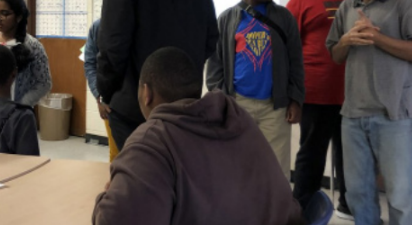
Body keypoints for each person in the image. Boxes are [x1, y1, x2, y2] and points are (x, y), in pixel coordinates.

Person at [93, 47, 303, 225]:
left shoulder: (152, 140)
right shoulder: (239, 119)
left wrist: (104, 198)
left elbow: (116, 219)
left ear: (146, 93)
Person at [326, 0, 412, 225]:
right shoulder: (347, 8)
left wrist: (378, 38)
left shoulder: (406, 4)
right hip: (352, 117)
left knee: (400, 195)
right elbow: (335, 55)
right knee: (359, 194)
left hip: (394, 116)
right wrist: (346, 41)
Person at [97, 0, 218, 151]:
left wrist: (106, 92)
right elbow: (210, 38)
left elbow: (113, 46)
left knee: (137, 177)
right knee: (178, 175)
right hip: (184, 103)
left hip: (134, 104)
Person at [206, 0, 304, 179]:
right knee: (238, 165)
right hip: (239, 104)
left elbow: (296, 59)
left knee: (277, 170)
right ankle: (243, 211)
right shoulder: (227, 18)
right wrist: (221, 99)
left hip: (275, 107)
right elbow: (215, 65)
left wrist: (296, 99)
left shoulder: (283, 17)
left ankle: (277, 213)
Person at [287, 0, 356, 218]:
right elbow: (287, 43)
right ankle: (300, 211)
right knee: (312, 155)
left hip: (352, 95)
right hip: (315, 93)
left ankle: (348, 206)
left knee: (350, 156)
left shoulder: (356, 1)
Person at [0, 0, 51, 106]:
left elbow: (44, 84)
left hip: (16, 113)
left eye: (4, 13)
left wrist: (21, 105)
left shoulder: (32, 45)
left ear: (18, 17)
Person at [84, 19, 118, 161]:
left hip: (140, 101)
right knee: (116, 155)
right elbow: (90, 63)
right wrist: (99, 96)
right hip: (111, 102)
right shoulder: (98, 27)